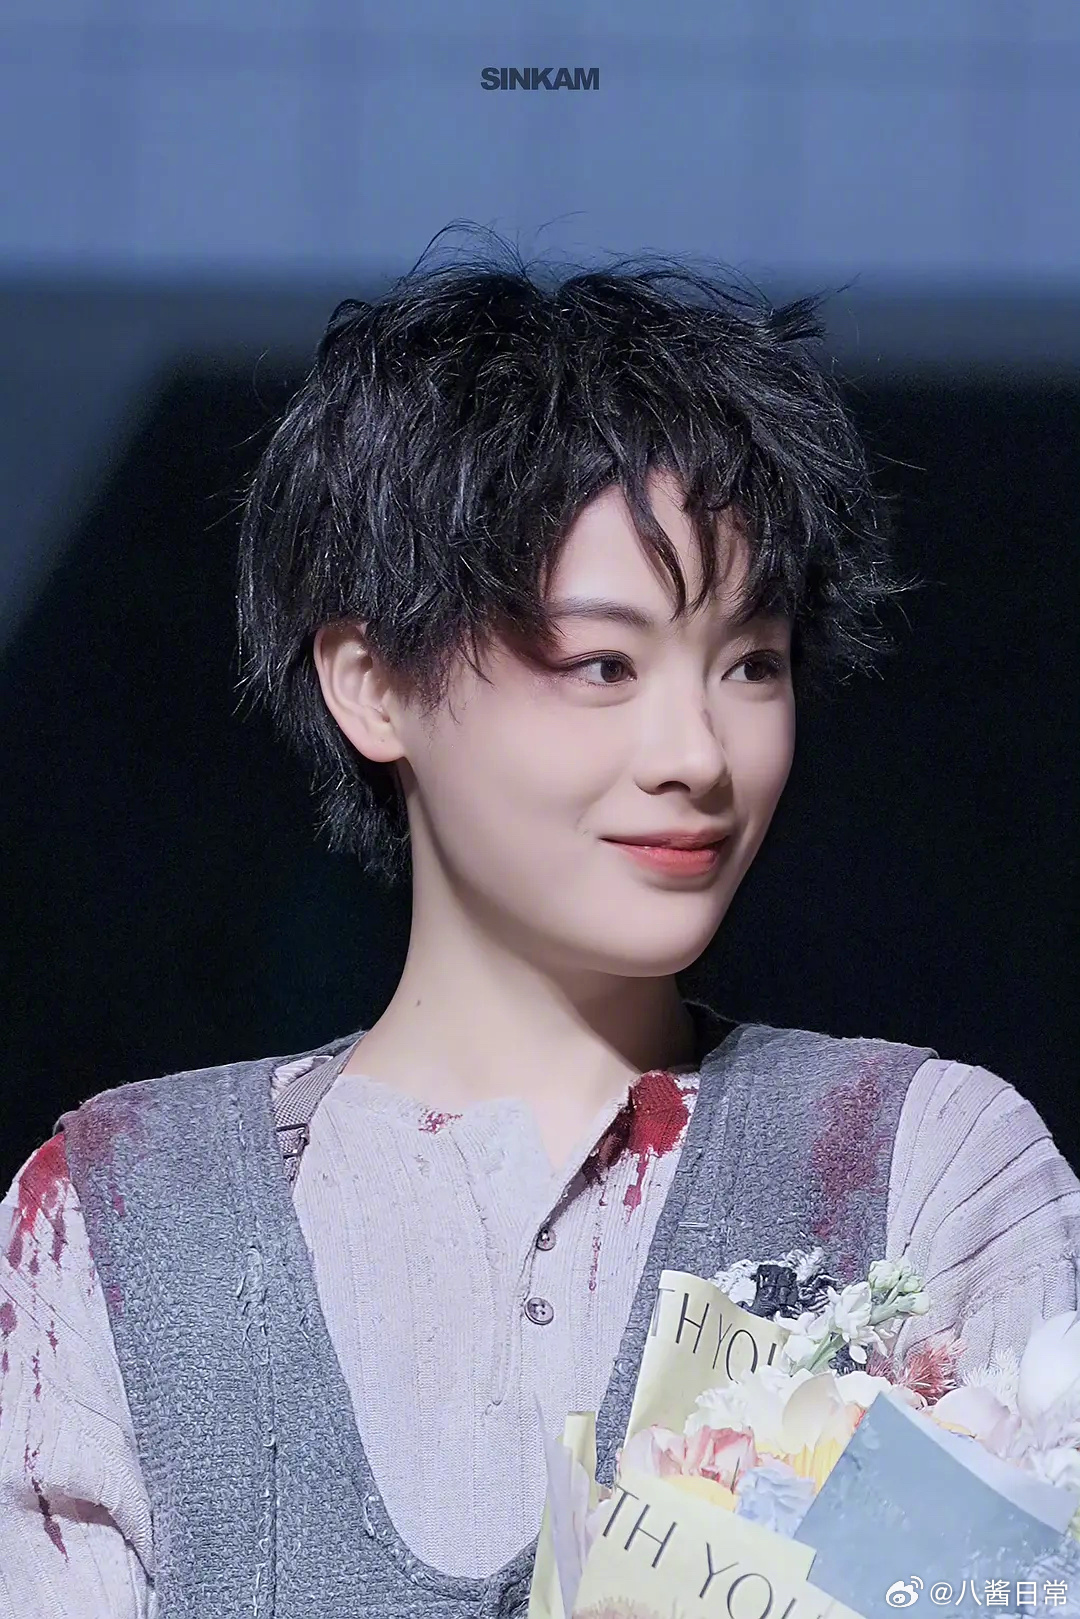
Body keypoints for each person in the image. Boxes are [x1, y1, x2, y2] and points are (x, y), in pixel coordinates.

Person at [2, 239, 1077, 1618]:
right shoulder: (123, 1215)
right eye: (603, 664)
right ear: (372, 683)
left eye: (751, 664)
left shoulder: (920, 1169)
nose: (696, 753)